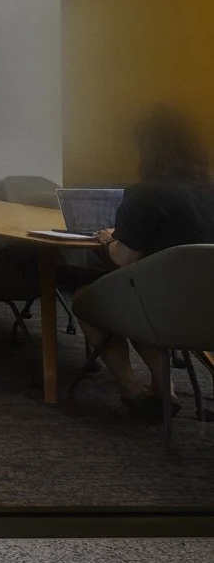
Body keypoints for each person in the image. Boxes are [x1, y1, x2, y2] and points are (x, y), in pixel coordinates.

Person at [81, 105, 214, 418]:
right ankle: (165, 391)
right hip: (206, 310)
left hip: (161, 309)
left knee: (88, 301)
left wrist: (110, 238)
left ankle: (133, 389)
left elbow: (124, 258)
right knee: (140, 299)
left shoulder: (146, 193)